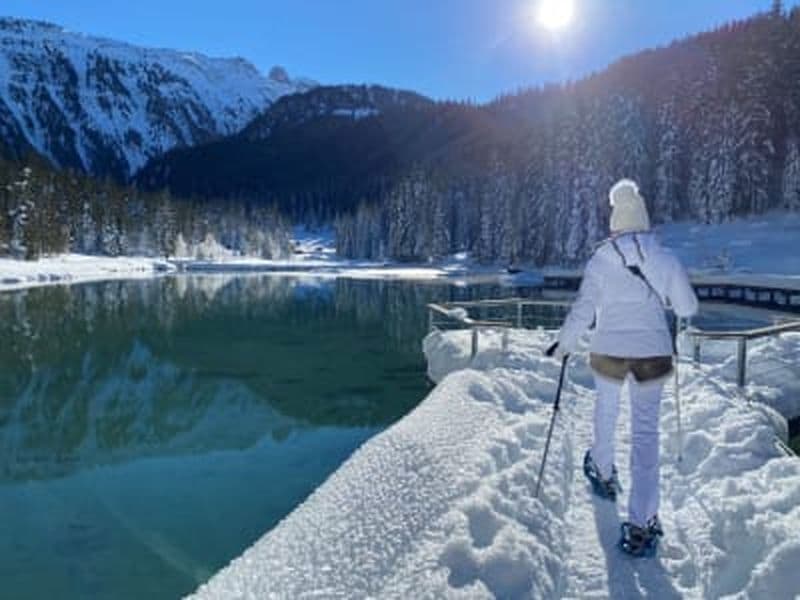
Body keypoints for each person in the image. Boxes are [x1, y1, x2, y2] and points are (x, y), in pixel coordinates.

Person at [552, 178, 698, 557]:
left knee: (606, 410)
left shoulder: (602, 259)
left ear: (615, 220)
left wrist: (565, 343)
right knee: (645, 434)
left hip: (609, 351)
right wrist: (665, 298)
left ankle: (602, 470)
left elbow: (584, 309)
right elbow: (687, 308)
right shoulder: (664, 257)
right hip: (652, 354)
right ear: (644, 218)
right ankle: (642, 522)